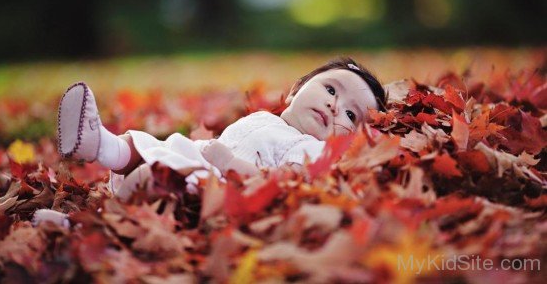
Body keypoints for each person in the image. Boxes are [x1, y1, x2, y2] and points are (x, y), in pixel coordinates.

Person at [56, 57, 386, 198]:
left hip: (222, 189)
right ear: (295, 90)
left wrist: (230, 164)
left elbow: (284, 185)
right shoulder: (266, 119)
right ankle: (100, 145)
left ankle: (114, 210)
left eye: (351, 116)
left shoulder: (313, 150)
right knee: (156, 145)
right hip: (198, 159)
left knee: (175, 176)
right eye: (330, 90)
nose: (334, 105)